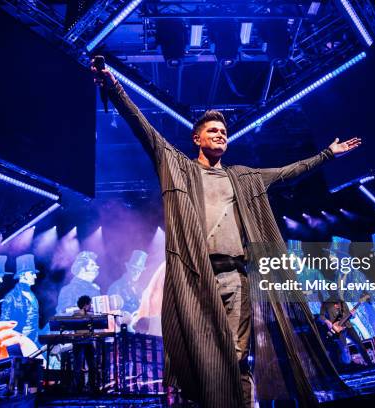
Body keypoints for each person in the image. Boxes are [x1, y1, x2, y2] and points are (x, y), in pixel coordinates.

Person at [93, 61, 360, 407]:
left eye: (224, 132)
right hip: (197, 279)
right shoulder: (177, 167)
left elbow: (287, 173)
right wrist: (113, 86)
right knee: (205, 361)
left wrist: (326, 154)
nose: (221, 134)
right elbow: (142, 127)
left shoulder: (244, 177)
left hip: (236, 277)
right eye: (213, 130)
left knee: (238, 356)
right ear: (196, 138)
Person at [319, 296, 373, 367]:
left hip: (348, 326)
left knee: (359, 344)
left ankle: (369, 363)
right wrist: (327, 322)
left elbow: (348, 315)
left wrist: (353, 315)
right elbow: (321, 317)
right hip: (338, 330)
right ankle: (347, 366)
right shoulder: (325, 304)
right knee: (344, 349)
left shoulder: (342, 302)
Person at [1, 254, 40, 344]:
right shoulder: (11, 297)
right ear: (22, 275)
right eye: (32, 273)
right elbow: (5, 325)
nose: (35, 276)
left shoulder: (31, 294)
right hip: (19, 343)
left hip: (32, 343)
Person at [107, 249, 147, 314]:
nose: (136, 273)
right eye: (134, 269)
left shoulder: (140, 288)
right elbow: (111, 311)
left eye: (139, 271)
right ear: (128, 268)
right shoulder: (116, 287)